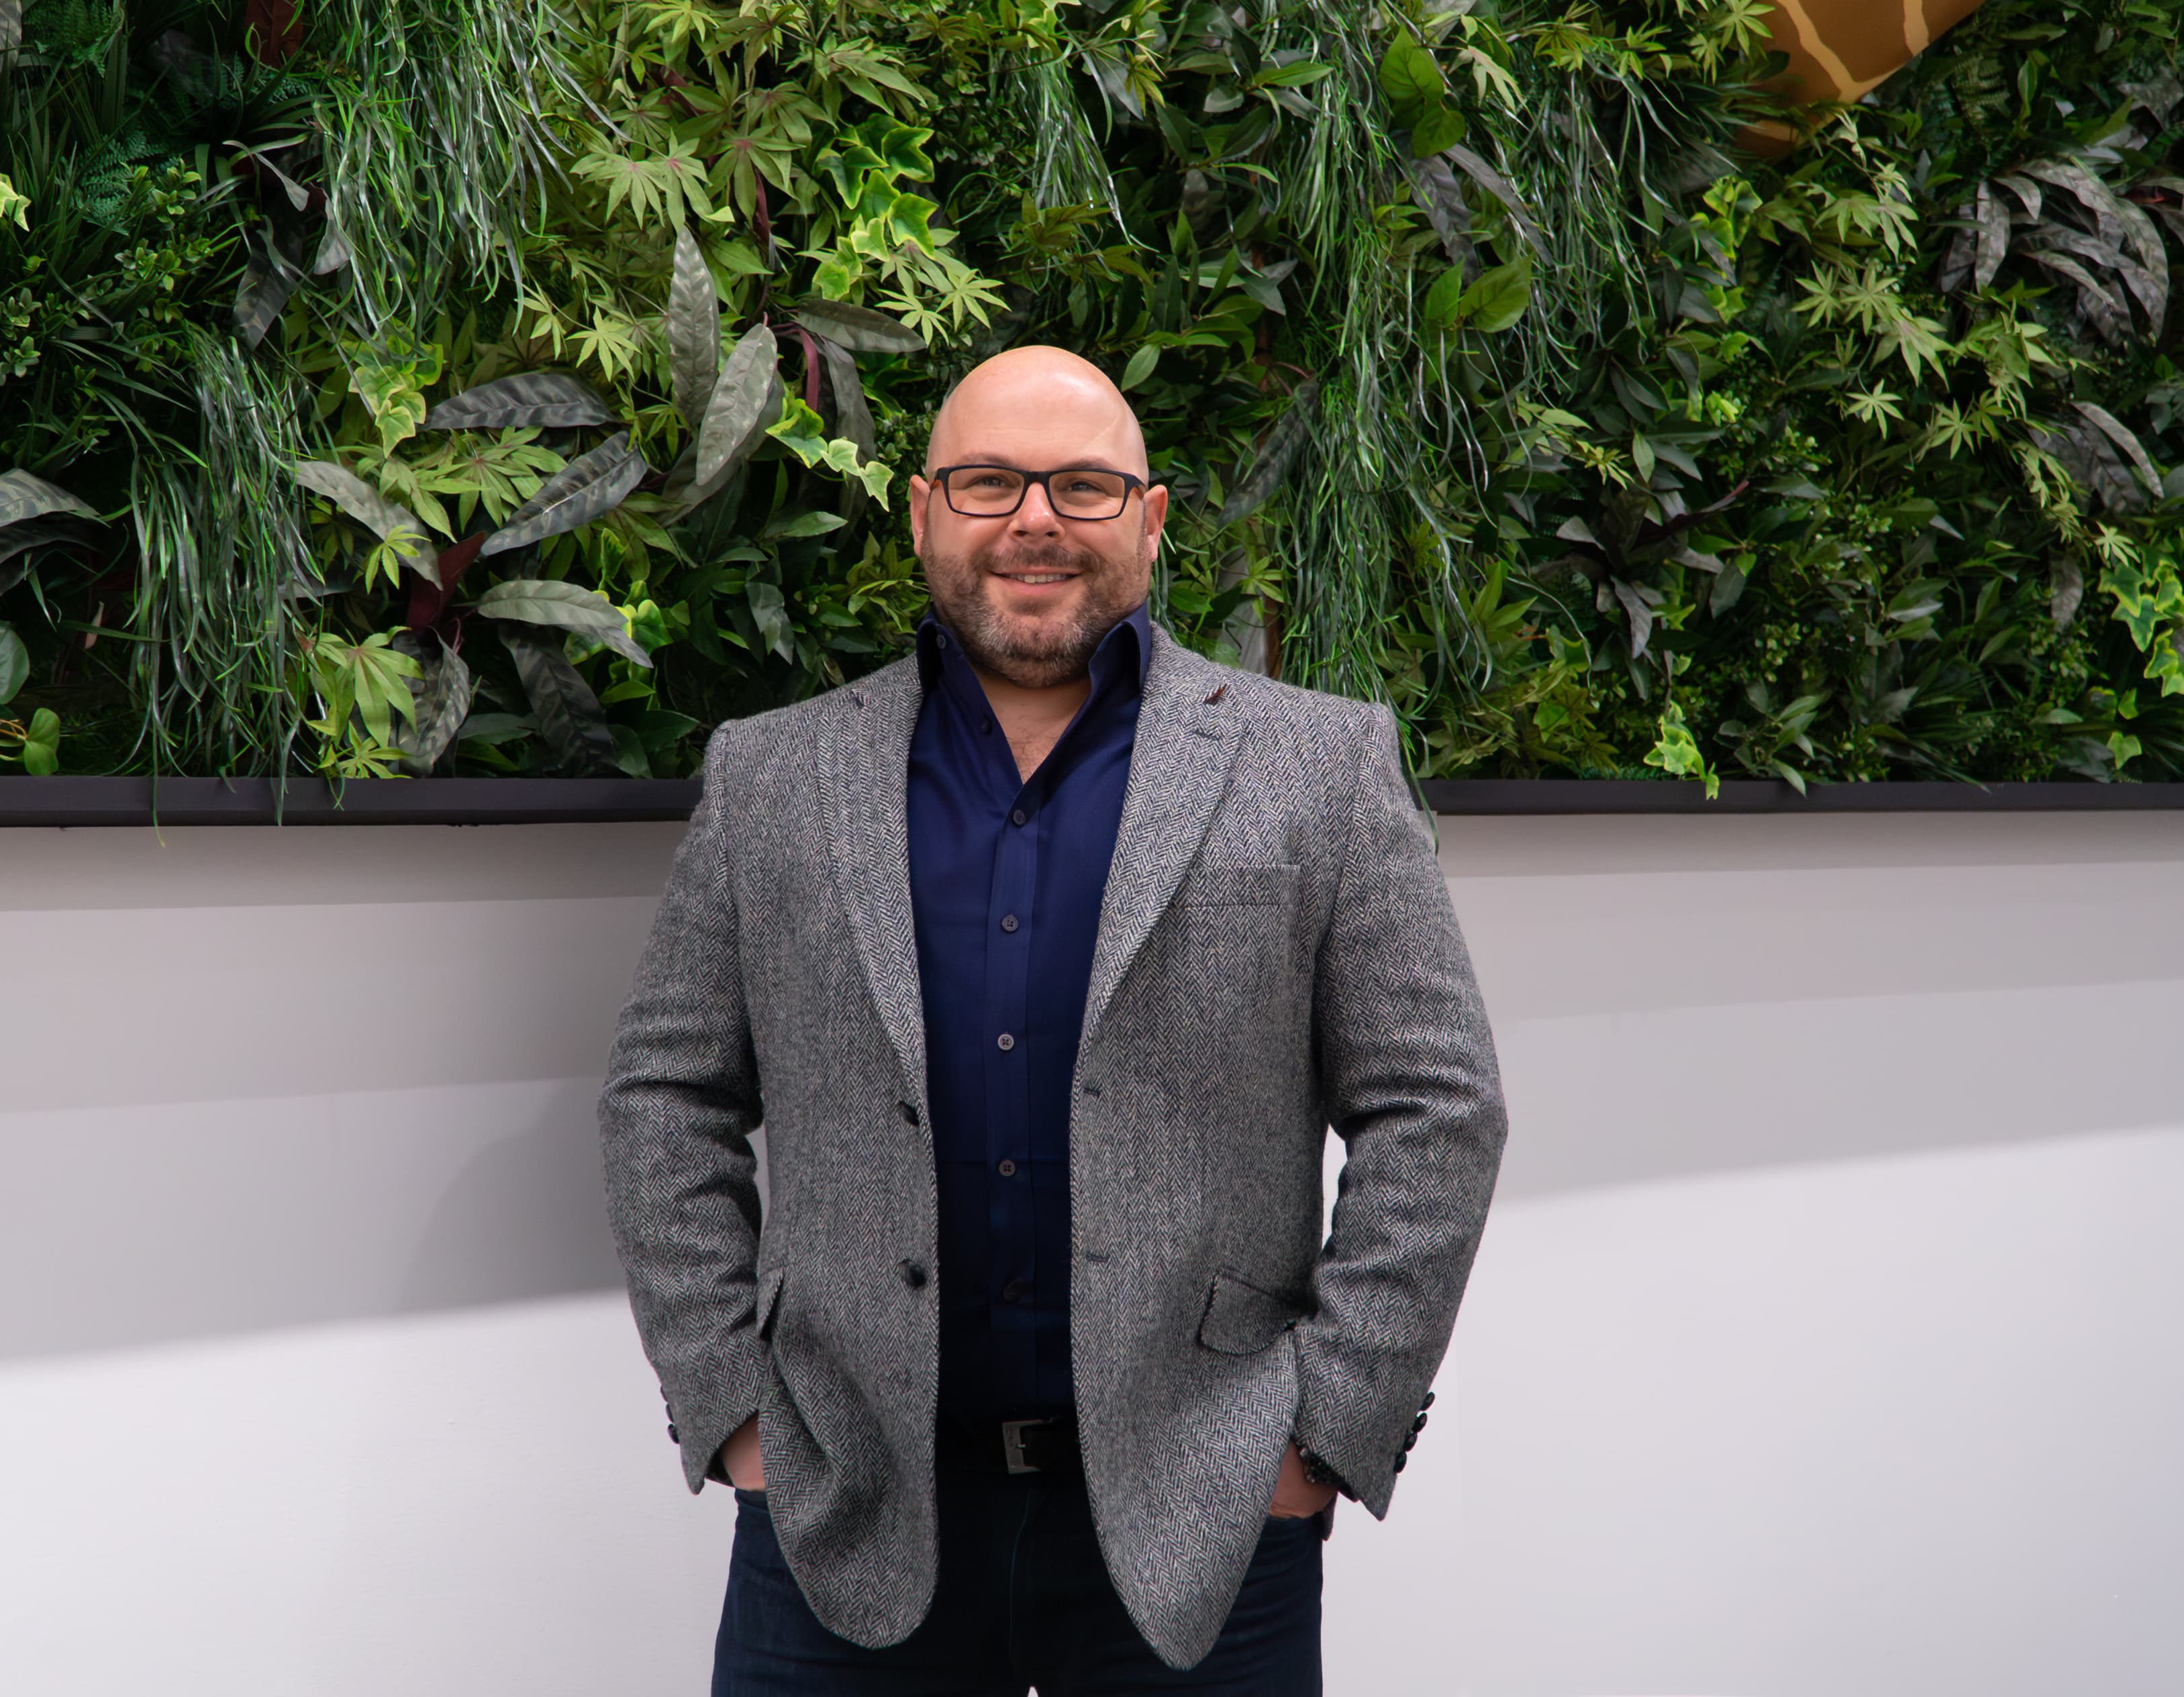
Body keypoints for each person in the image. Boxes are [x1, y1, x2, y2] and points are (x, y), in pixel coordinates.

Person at [599, 345, 1507, 1694]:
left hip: (1201, 1519)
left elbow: (1439, 1104)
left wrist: (1322, 1431)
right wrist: (734, 1405)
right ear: (922, 513)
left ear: (1148, 518)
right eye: (988, 481)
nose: (1035, 517)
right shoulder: (773, 774)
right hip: (843, 1511)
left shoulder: (1321, 764)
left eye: (1084, 484)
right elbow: (664, 1095)